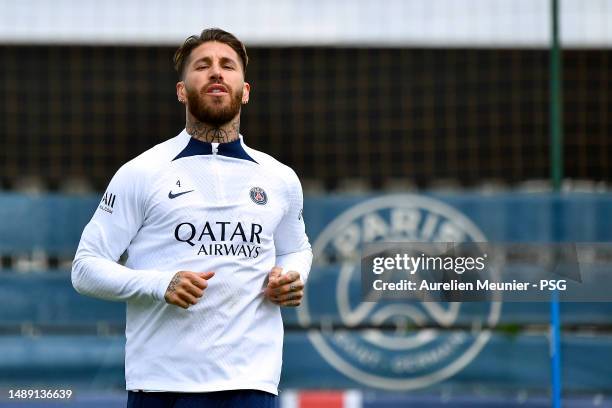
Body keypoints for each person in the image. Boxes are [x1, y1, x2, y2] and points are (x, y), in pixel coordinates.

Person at [72, 28, 312, 408]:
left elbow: (296, 249)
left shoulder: (279, 178)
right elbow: (85, 269)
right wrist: (159, 284)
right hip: (161, 385)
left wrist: (293, 276)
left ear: (245, 90)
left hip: (251, 383)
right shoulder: (142, 172)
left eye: (227, 66)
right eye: (203, 65)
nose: (216, 73)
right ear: (182, 90)